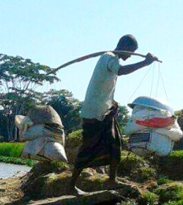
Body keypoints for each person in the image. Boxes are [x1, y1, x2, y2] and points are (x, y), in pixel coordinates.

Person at [68, 35, 159, 195]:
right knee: (87, 148)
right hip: (94, 113)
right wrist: (145, 63)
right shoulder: (109, 57)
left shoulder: (111, 60)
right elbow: (122, 71)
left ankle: (111, 180)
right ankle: (71, 185)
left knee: (115, 144)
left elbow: (105, 87)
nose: (130, 55)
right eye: (130, 52)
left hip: (104, 112)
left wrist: (113, 103)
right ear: (123, 46)